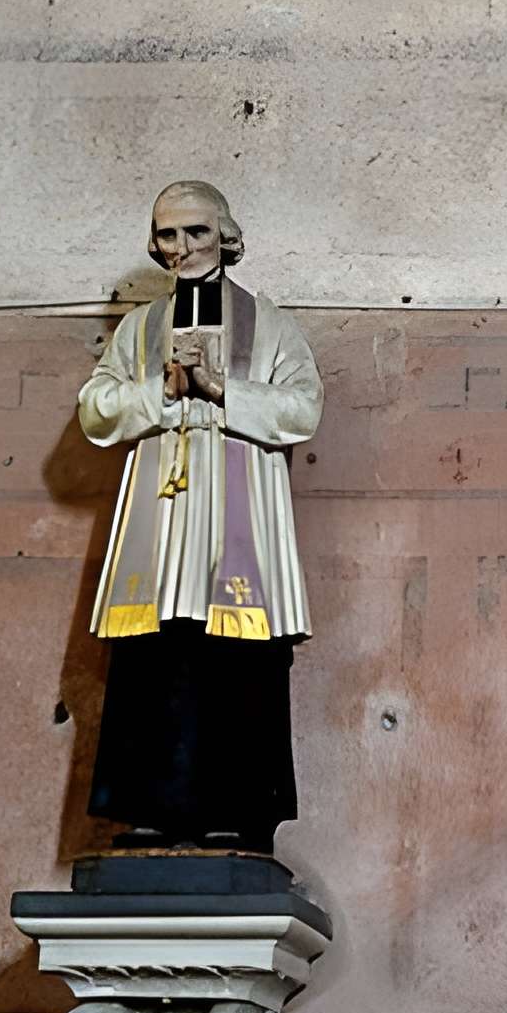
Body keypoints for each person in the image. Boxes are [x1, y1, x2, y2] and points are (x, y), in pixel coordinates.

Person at [76, 181, 320, 854]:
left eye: (195, 233)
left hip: (239, 511)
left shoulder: (269, 324)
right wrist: (161, 391)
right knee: (158, 654)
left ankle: (238, 812)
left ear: (225, 236)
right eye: (167, 234)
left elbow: (303, 408)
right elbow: (96, 410)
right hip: (161, 510)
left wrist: (222, 389)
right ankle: (151, 808)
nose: (180, 247)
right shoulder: (139, 327)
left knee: (235, 655)